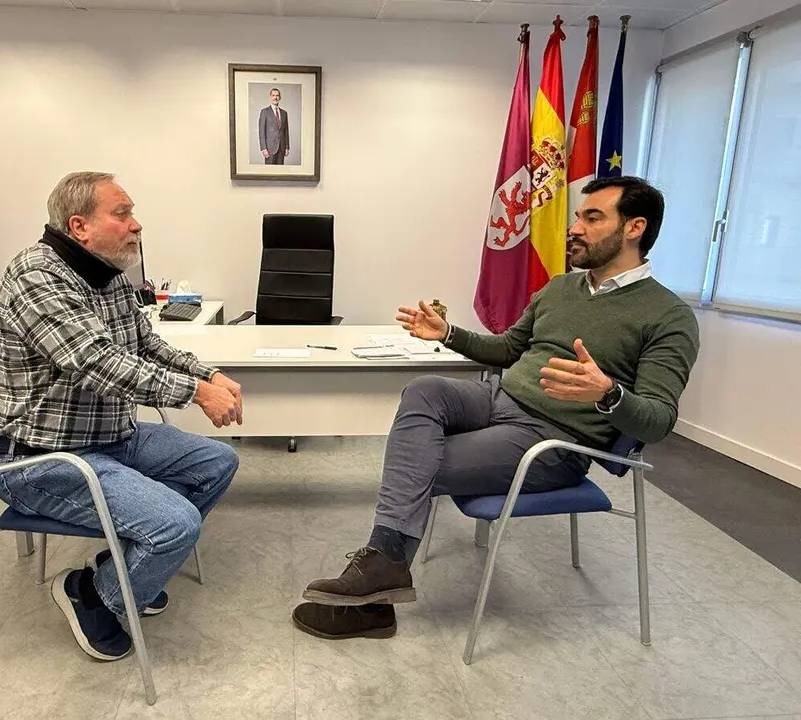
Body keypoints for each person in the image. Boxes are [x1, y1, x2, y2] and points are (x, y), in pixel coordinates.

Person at [292, 176, 700, 639]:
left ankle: (378, 585)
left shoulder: (668, 315)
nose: (576, 228)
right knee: (425, 388)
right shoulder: (561, 288)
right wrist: (448, 334)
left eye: (592, 217)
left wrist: (607, 393)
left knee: (417, 463)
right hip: (499, 398)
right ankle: (383, 575)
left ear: (634, 228)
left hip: (551, 440)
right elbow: (509, 349)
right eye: (578, 217)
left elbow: (660, 420)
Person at [0, 171, 243, 660]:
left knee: (217, 463)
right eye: (122, 214)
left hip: (111, 438)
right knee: (175, 524)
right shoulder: (35, 275)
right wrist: (195, 392)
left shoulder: (106, 272)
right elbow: (94, 361)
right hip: (46, 458)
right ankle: (94, 597)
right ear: (79, 225)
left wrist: (208, 372)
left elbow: (145, 343)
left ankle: (122, 566)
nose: (137, 225)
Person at [258, 88, 290, 165]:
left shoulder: (284, 113)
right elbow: (261, 131)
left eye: (277, 95)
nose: (275, 97)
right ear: (270, 97)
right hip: (269, 149)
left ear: (280, 97)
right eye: (273, 95)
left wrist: (287, 147)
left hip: (281, 148)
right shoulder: (264, 112)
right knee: (269, 173)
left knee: (280, 173)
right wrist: (263, 148)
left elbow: (286, 132)